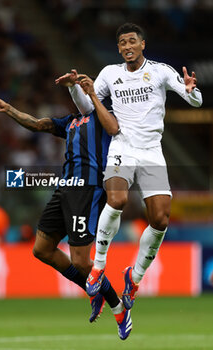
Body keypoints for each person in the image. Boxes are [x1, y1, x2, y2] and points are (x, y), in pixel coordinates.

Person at [57, 22, 203, 310]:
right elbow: (87, 107)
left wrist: (192, 91)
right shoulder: (110, 74)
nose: (127, 46)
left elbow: (194, 100)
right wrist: (75, 87)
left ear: (142, 44)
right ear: (119, 48)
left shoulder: (160, 71)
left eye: (131, 41)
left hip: (151, 151)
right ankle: (98, 267)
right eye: (122, 42)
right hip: (122, 146)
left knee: (160, 220)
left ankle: (133, 279)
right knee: (117, 199)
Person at [0, 77, 133, 340]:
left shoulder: (106, 117)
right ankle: (94, 292)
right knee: (41, 249)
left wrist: (88, 93)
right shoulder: (71, 121)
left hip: (87, 190)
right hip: (64, 188)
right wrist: (8, 109)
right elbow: (37, 124)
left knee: (80, 260)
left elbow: (114, 129)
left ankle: (118, 307)